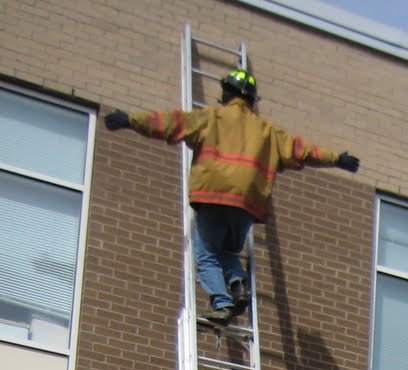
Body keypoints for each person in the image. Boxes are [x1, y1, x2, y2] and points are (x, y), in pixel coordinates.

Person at [104, 67, 360, 325]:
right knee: (226, 251)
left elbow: (172, 123)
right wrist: (337, 159)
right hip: (247, 205)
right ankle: (238, 283)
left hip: (213, 195)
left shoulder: (212, 118)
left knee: (205, 253)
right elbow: (301, 151)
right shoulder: (268, 132)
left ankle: (222, 304)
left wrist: (130, 120)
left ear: (225, 94)